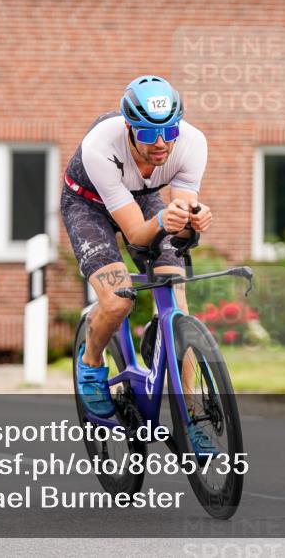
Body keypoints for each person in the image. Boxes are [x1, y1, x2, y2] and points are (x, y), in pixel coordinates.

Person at [62, 75, 217, 454]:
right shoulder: (101, 143)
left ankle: (192, 417)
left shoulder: (193, 143)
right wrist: (165, 221)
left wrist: (191, 220)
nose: (162, 143)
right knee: (117, 301)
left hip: (143, 199)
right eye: (148, 134)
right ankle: (91, 362)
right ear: (129, 128)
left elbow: (178, 208)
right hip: (89, 205)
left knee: (177, 302)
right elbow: (136, 234)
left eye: (169, 131)